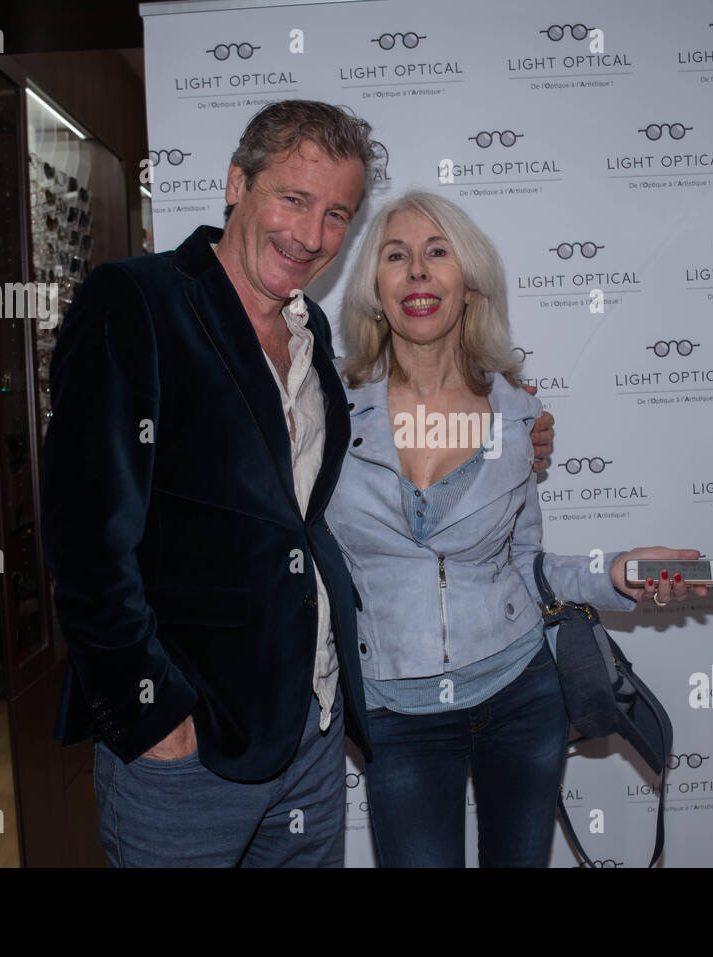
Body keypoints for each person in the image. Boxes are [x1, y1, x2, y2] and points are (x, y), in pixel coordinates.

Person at [40, 101, 555, 867]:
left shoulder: (313, 340)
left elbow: (309, 521)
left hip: (312, 741)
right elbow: (86, 542)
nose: (311, 235)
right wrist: (150, 717)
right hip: (189, 746)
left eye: (337, 213)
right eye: (293, 199)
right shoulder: (137, 303)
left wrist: (513, 435)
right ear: (236, 184)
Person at [326, 190, 707, 867]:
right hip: (395, 711)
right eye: (396, 255)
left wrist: (616, 571)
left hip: (519, 695)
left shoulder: (516, 415)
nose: (417, 270)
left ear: (468, 285)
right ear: (374, 292)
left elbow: (528, 565)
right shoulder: (327, 412)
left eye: (437, 252)